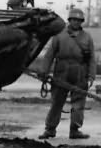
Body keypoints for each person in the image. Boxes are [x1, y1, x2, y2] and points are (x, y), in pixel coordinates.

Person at [38, 8, 97, 139]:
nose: (76, 22)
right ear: (69, 20)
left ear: (82, 21)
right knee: (56, 103)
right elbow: (49, 55)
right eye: (73, 19)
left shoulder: (87, 37)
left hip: (80, 73)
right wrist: (43, 71)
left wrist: (91, 76)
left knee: (78, 105)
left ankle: (75, 130)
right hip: (61, 73)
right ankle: (50, 129)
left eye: (78, 20)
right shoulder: (59, 36)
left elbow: (92, 58)